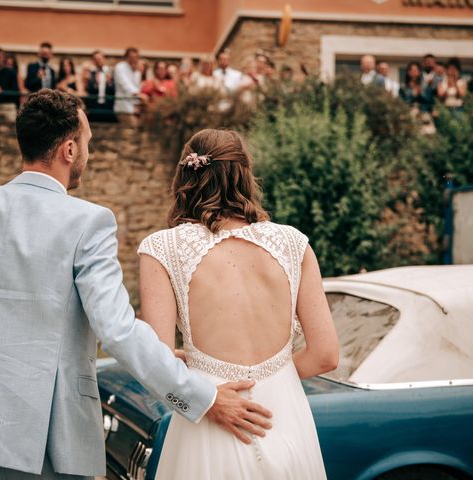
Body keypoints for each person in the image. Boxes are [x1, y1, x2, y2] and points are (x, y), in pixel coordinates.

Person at [0, 90, 272, 480]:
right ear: (70, 149)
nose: (88, 155)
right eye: (88, 143)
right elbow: (118, 331)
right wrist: (203, 398)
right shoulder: (89, 222)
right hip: (45, 437)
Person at [138, 129, 338, 479]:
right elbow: (325, 355)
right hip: (285, 421)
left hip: (211, 428)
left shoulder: (161, 249)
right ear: (245, 176)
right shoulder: (294, 243)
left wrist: (203, 385)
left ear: (185, 176)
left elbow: (158, 367)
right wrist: (272, 380)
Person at [400, 61, 435, 134]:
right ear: (408, 72)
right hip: (409, 113)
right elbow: (402, 102)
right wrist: (413, 94)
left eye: (416, 70)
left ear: (419, 72)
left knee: (427, 134)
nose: (414, 72)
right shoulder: (403, 87)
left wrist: (421, 93)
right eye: (412, 70)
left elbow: (430, 101)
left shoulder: (425, 86)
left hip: (424, 113)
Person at [113, 47, 144, 126]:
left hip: (135, 108)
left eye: (136, 57)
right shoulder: (120, 67)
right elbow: (125, 84)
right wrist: (138, 95)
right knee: (130, 131)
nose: (134, 59)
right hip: (124, 107)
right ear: (127, 57)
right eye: (132, 57)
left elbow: (138, 87)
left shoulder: (136, 70)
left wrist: (137, 104)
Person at [85, 50, 115, 121]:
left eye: (100, 59)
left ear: (104, 59)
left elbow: (115, 89)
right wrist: (94, 83)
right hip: (94, 107)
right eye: (96, 59)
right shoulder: (90, 73)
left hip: (108, 107)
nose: (98, 61)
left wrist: (110, 82)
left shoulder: (111, 72)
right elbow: (88, 90)